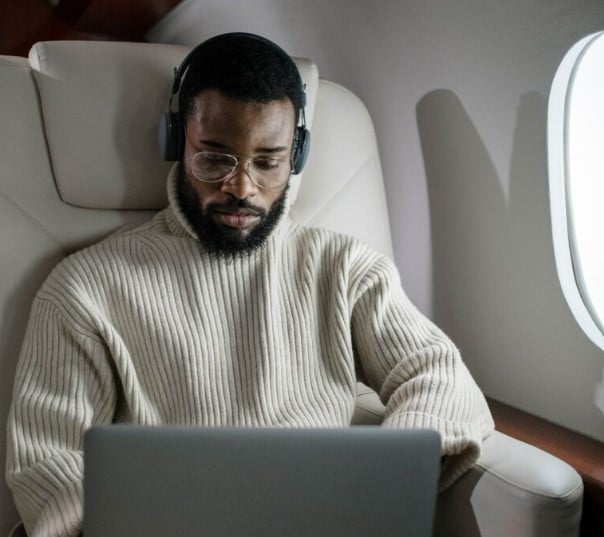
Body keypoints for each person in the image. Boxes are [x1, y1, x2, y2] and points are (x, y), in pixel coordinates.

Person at [6, 32, 494, 537]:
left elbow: (437, 375)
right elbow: (49, 463)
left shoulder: (345, 268)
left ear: (297, 157)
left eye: (268, 162)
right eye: (214, 158)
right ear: (174, 141)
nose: (242, 188)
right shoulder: (85, 289)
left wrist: (379, 475)